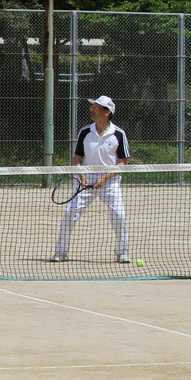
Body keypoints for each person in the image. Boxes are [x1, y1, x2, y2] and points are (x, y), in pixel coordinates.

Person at [51, 95, 131, 263]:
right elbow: (77, 159)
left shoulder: (119, 134)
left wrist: (104, 178)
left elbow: (123, 163)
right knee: (69, 213)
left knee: (119, 215)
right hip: (86, 179)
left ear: (107, 112)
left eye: (97, 107)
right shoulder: (85, 132)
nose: (92, 110)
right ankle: (61, 251)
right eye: (92, 107)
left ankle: (122, 252)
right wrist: (83, 176)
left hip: (110, 180)